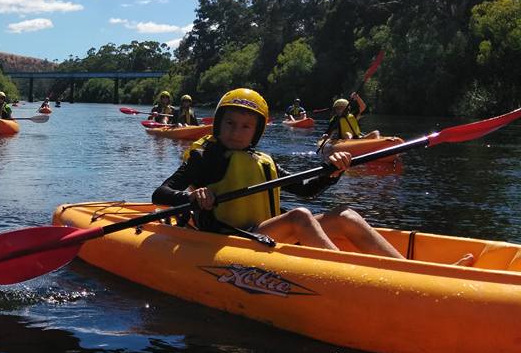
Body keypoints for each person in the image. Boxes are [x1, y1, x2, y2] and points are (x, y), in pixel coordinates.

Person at [152, 88, 405, 257]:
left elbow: (306, 190)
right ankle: (349, 277)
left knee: (345, 215)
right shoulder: (204, 157)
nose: (236, 131)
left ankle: (403, 271)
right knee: (299, 217)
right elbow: (160, 194)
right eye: (230, 123)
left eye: (245, 126)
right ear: (219, 124)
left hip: (261, 231)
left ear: (256, 131)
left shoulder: (263, 161)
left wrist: (333, 172)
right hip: (229, 238)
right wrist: (192, 198)